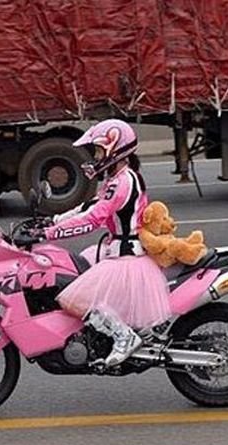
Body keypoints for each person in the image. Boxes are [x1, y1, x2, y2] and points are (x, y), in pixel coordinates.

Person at [38, 119, 171, 367]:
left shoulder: (123, 181)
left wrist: (49, 234)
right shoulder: (117, 178)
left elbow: (93, 218)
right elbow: (89, 206)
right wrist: (53, 220)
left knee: (73, 299)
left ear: (114, 150)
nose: (95, 157)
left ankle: (124, 337)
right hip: (114, 250)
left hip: (126, 258)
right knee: (76, 271)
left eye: (99, 151)